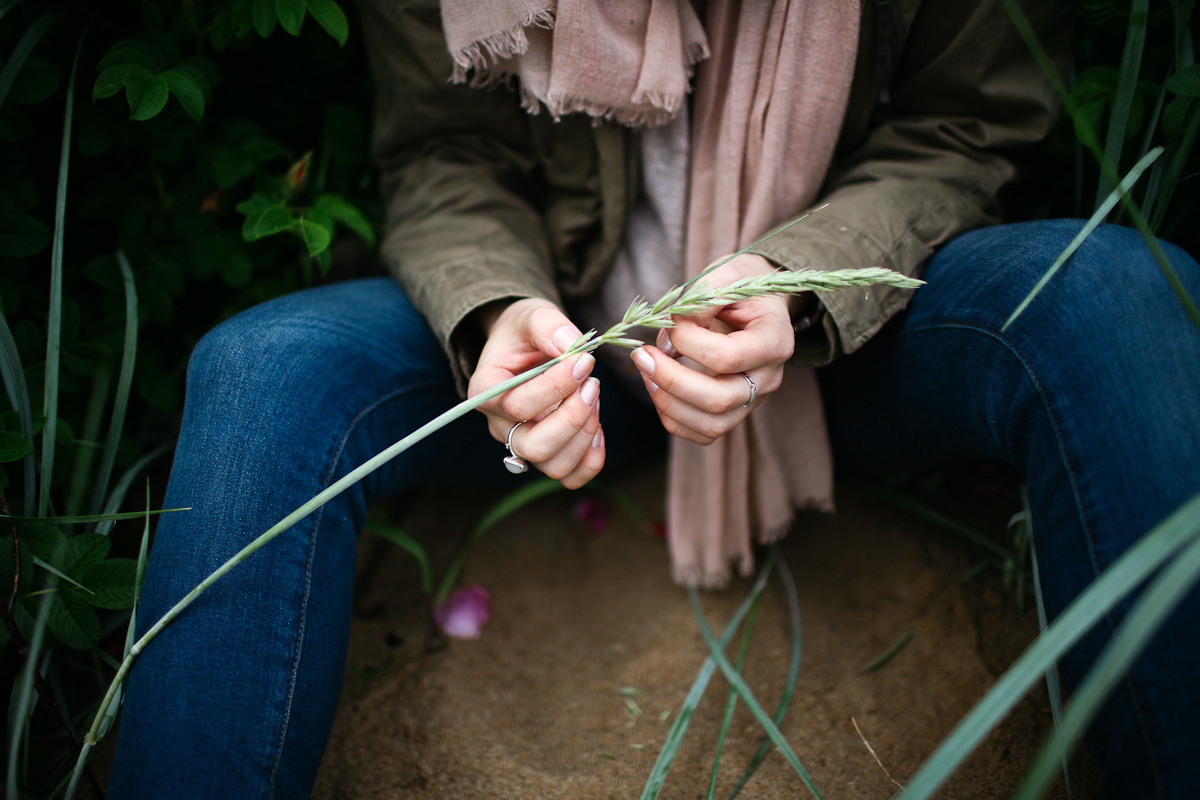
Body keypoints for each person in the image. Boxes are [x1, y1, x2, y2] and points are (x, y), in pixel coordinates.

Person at [108, 1, 1200, 798]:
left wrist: (800, 282)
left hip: (844, 351)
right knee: (266, 366)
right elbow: (445, 153)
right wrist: (495, 312)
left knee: (1120, 289)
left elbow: (966, 125)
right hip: (566, 332)